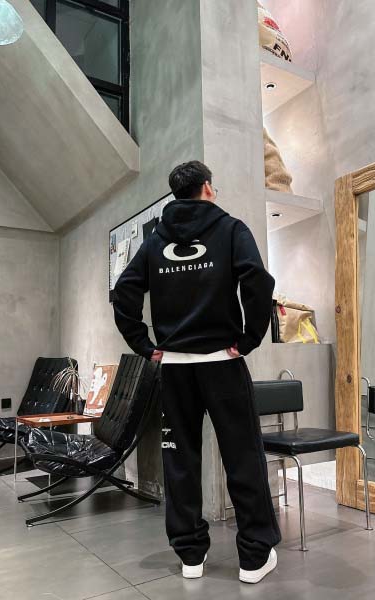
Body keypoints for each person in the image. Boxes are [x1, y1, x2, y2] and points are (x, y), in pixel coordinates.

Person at [112, 160, 281, 584]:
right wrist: (249, 338)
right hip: (222, 364)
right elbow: (257, 281)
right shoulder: (231, 230)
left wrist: (144, 344)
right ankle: (253, 558)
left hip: (175, 370)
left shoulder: (155, 241)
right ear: (207, 187)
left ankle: (191, 556)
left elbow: (125, 291)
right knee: (243, 458)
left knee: (180, 461)